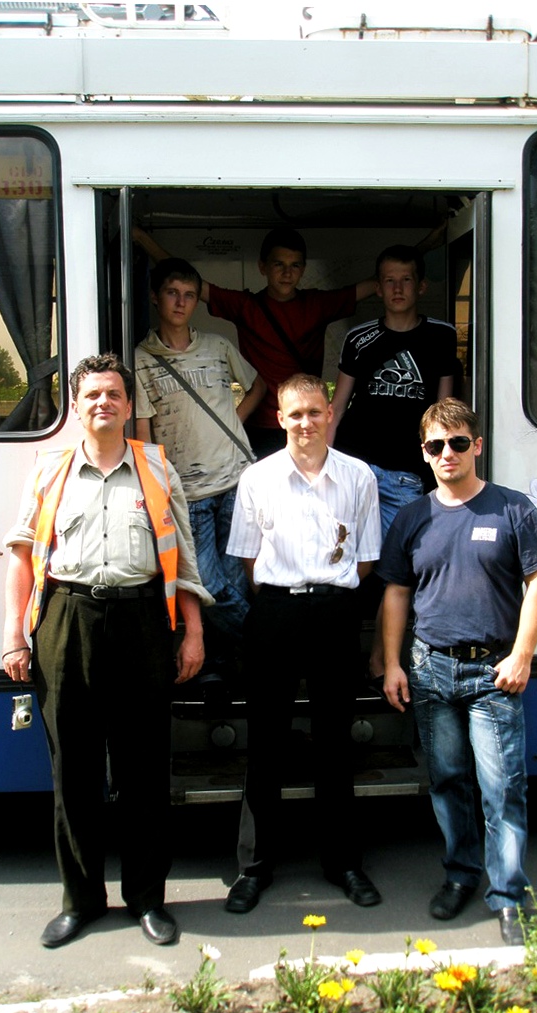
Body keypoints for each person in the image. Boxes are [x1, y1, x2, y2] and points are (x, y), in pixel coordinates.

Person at [1, 354, 212, 949]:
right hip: (66, 621)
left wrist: (192, 631)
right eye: (92, 394)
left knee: (144, 769)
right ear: (76, 405)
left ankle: (148, 899)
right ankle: (82, 901)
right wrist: (14, 636)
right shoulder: (49, 470)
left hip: (143, 619)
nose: (103, 403)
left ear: (127, 404)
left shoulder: (155, 466)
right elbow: (21, 555)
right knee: (74, 771)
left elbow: (184, 556)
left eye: (114, 394)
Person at [378, 398, 537, 946]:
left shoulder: (512, 508)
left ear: (477, 446)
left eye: (458, 442)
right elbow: (394, 592)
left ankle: (507, 895)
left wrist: (523, 654)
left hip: (493, 674)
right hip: (431, 672)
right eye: (436, 445)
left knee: (502, 787)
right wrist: (392, 663)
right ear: (424, 453)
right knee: (448, 783)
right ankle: (460, 875)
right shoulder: (413, 516)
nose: (447, 453)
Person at [223, 373, 382, 913]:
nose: (306, 422)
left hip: (336, 612)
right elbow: (248, 559)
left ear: (329, 414)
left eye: (315, 412)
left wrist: (325, 593)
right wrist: (286, 595)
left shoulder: (358, 477)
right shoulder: (257, 478)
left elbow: (365, 557)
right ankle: (253, 867)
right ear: (279, 419)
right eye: (295, 414)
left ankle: (343, 864)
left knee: (334, 741)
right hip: (275, 612)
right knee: (265, 741)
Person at [133, 224, 377, 457]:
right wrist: (141, 237)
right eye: (278, 264)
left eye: (294, 266)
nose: (287, 273)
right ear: (263, 266)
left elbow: (379, 283)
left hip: (305, 422)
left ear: (303, 269)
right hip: (261, 428)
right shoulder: (246, 307)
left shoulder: (318, 305)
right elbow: (185, 278)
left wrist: (413, 255)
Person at [134, 257, 265, 674]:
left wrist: (233, 423)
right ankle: (272, 649)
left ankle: (231, 663)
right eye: (173, 293)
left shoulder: (218, 346)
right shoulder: (141, 358)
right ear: (156, 298)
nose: (181, 302)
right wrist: (157, 488)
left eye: (189, 295)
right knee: (209, 587)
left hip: (236, 480)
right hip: (187, 493)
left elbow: (259, 385)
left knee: (236, 580)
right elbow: (142, 433)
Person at [329, 244, 456, 538]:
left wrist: (443, 468)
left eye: (406, 280)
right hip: (356, 464)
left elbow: (444, 413)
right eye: (389, 280)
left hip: (408, 471)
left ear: (421, 286)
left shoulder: (442, 336)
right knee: (348, 551)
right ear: (378, 288)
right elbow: (335, 410)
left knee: (402, 557)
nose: (397, 288)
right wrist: (323, 467)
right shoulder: (359, 338)